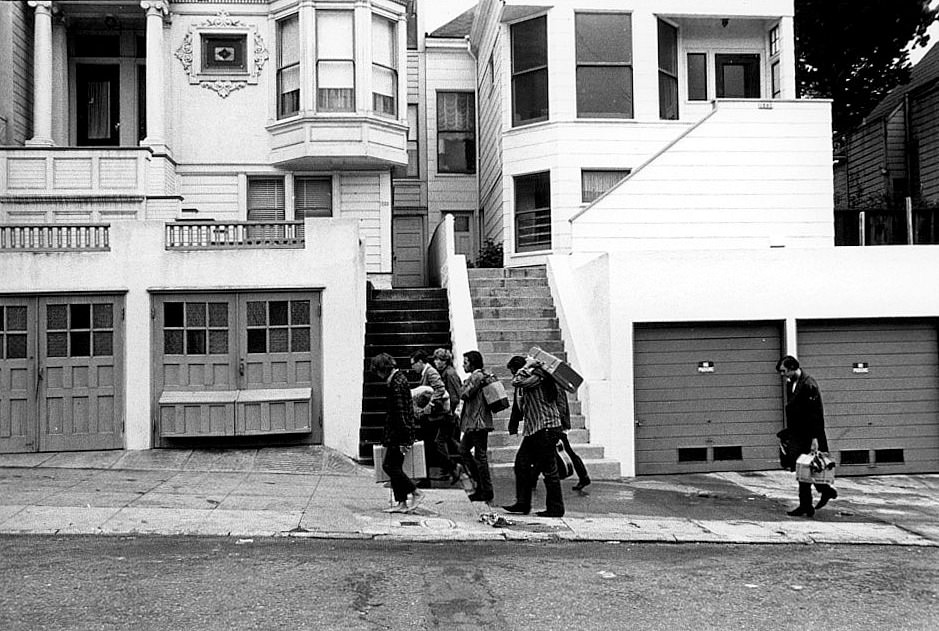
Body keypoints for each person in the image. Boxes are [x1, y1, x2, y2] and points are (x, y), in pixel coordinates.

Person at [502, 355, 565, 517]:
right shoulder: (537, 376)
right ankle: (523, 503)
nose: (513, 374)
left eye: (513, 371)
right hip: (536, 429)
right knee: (521, 463)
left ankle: (555, 508)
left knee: (549, 470)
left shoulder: (537, 377)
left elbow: (517, 381)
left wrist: (527, 366)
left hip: (545, 428)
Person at [777, 355, 837, 517]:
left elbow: (815, 414)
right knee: (802, 469)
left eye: (784, 371)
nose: (783, 375)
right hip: (798, 434)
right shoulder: (793, 384)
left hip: (809, 435)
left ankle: (824, 491)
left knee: (808, 468)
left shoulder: (808, 384)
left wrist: (815, 439)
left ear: (791, 368)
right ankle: (807, 504)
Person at [370, 353, 423, 513]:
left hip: (398, 434)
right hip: (397, 432)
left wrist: (404, 439)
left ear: (383, 369)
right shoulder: (398, 379)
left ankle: (415, 492)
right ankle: (402, 502)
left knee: (389, 466)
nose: (378, 376)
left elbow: (400, 413)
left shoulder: (396, 383)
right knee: (395, 466)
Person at [455, 350, 495, 503]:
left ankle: (485, 489)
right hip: (475, 422)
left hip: (478, 422)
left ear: (472, 363)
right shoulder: (478, 376)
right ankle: (481, 486)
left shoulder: (477, 376)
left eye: (465, 362)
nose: (464, 365)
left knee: (480, 457)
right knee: (465, 451)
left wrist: (464, 384)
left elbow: (464, 393)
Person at [410, 350, 450, 480]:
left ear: (420, 362)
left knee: (434, 442)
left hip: (436, 415)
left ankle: (450, 468)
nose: (412, 367)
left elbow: (440, 388)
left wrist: (429, 406)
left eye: (414, 364)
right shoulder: (426, 372)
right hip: (433, 415)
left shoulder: (430, 372)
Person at [433, 348, 464, 483]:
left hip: (449, 414)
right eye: (436, 359)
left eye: (439, 359)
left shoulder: (449, 374)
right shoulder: (446, 372)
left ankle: (452, 466)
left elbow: (455, 397)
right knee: (450, 441)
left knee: (440, 441)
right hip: (449, 414)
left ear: (445, 361)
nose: (436, 362)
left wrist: (449, 411)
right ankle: (453, 467)